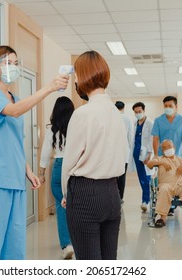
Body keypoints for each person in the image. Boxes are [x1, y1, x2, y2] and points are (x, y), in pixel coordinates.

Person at [0, 45, 69, 260]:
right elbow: (13, 112)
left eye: (16, 64)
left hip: (15, 178)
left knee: (14, 244)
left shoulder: (15, 97)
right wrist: (49, 88)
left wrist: (28, 171)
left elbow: (16, 142)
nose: (13, 67)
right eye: (8, 63)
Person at [61, 50, 127, 260]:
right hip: (112, 194)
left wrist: (66, 194)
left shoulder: (82, 114)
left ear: (85, 76)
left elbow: (69, 162)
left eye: (77, 75)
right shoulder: (117, 114)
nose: (77, 80)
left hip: (85, 194)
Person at [38, 96, 75, 259]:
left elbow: (46, 152)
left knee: (61, 205)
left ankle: (66, 245)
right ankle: (77, 240)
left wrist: (41, 173)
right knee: (75, 206)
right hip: (74, 167)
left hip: (59, 166)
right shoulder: (76, 126)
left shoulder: (52, 129)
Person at [147, 139, 182, 228]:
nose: (167, 149)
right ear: (162, 150)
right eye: (164, 148)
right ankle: (162, 218)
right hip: (166, 184)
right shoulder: (160, 158)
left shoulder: (181, 159)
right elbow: (149, 164)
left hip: (181, 184)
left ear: (174, 147)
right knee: (164, 190)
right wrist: (162, 163)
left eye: (169, 146)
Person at [131, 102, 154, 212]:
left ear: (144, 111)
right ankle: (146, 200)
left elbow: (152, 139)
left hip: (146, 154)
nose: (138, 114)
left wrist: (150, 154)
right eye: (136, 112)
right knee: (141, 178)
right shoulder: (135, 123)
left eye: (139, 112)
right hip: (136, 153)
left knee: (146, 178)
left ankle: (146, 201)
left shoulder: (150, 123)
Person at [115, 101, 133, 203]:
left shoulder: (111, 118)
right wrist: (130, 149)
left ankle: (114, 195)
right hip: (124, 152)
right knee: (122, 176)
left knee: (113, 175)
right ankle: (120, 197)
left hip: (113, 153)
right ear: (123, 108)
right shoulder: (127, 119)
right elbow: (130, 136)